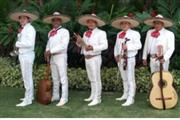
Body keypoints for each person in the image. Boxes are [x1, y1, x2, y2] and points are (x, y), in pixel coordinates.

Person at [75, 14, 108, 106]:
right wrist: (79, 42)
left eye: (92, 22)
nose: (90, 23)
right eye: (88, 22)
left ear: (96, 23)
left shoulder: (101, 33)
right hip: (87, 58)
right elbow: (83, 46)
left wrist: (93, 48)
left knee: (96, 78)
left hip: (95, 58)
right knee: (91, 78)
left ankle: (98, 98)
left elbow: (105, 46)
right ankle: (93, 95)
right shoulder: (86, 33)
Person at [9, 9, 38, 107]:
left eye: (24, 18)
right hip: (23, 55)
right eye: (20, 18)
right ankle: (30, 96)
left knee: (27, 77)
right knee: (27, 77)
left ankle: (28, 99)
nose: (21, 20)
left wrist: (18, 43)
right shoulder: (24, 29)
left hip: (27, 55)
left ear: (28, 19)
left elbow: (30, 44)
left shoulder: (30, 29)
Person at [111, 15, 142, 106]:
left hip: (130, 59)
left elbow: (139, 45)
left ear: (130, 24)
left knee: (130, 78)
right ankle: (125, 94)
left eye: (126, 23)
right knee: (124, 78)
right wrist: (116, 55)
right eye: (122, 23)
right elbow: (117, 46)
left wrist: (128, 47)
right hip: (120, 59)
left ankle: (131, 97)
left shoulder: (135, 33)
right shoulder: (119, 34)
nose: (124, 25)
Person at [43, 12, 70, 106]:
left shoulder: (65, 31)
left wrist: (51, 51)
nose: (55, 21)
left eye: (57, 19)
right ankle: (56, 95)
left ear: (60, 21)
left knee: (63, 77)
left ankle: (64, 97)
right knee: (55, 78)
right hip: (52, 57)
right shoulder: (50, 32)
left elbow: (63, 45)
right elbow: (48, 44)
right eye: (53, 20)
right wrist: (46, 51)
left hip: (61, 56)